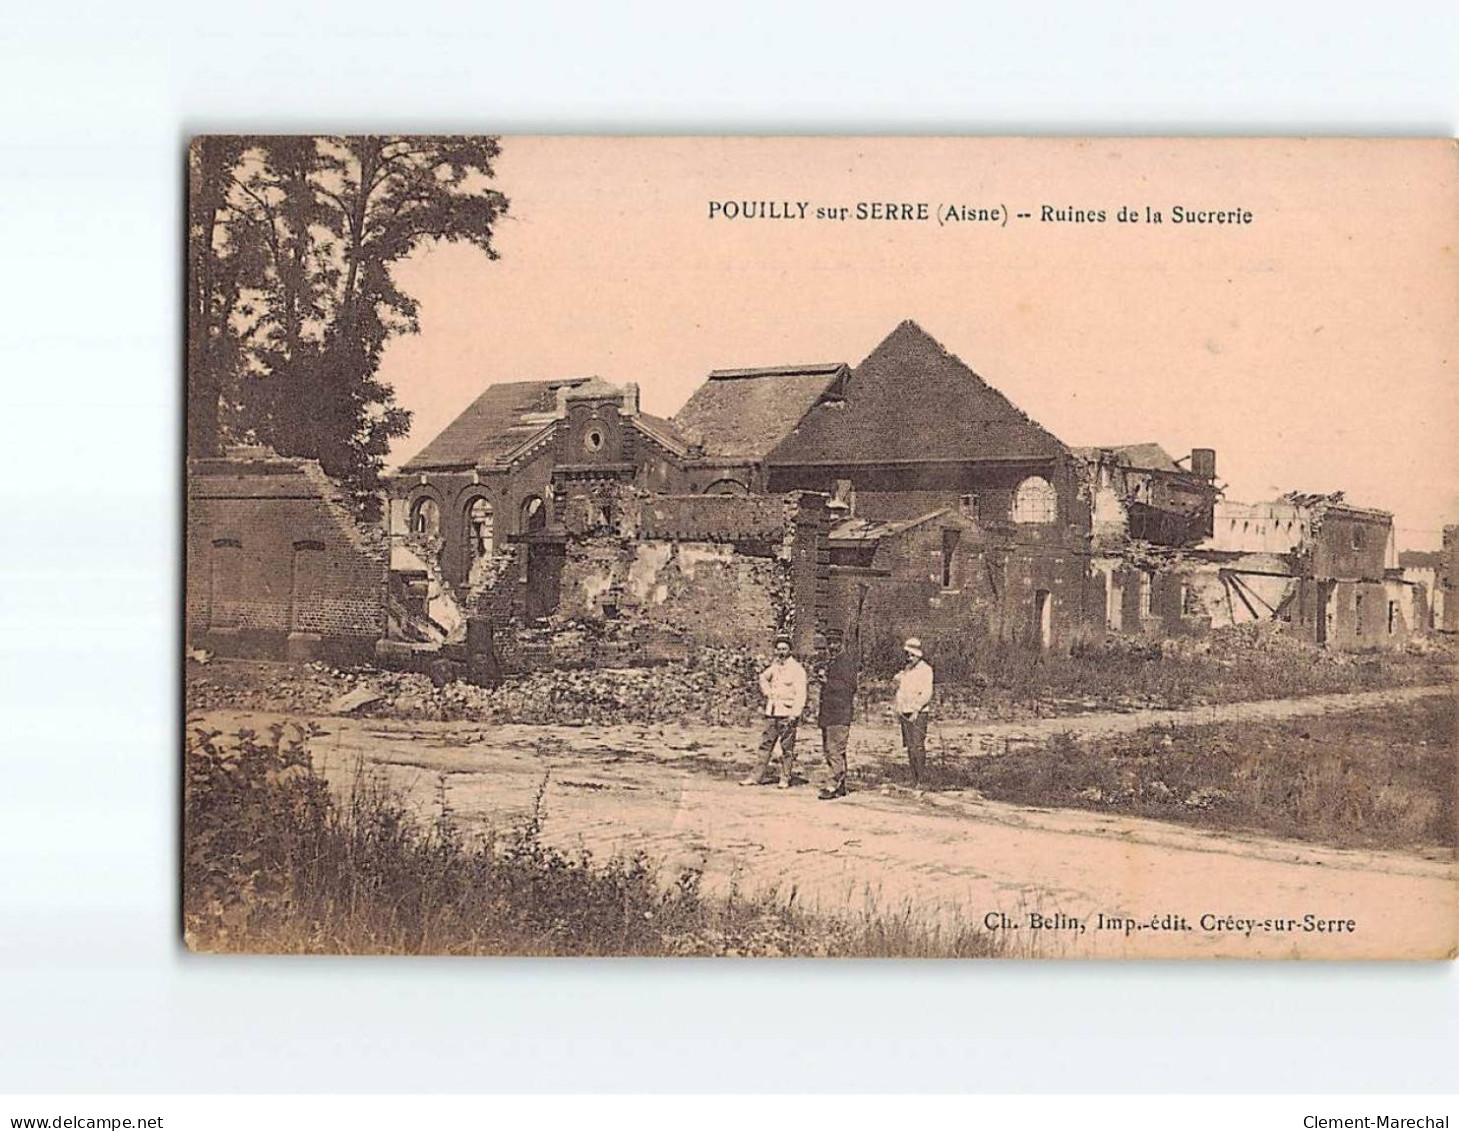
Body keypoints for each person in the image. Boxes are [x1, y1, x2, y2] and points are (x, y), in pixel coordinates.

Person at [741, 633, 807, 789]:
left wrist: (795, 714)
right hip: (772, 712)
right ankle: (755, 777)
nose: (781, 652)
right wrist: (768, 692)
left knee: (787, 749)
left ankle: (784, 778)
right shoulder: (775, 667)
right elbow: (762, 678)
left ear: (790, 650)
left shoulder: (797, 669)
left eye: (784, 649)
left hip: (787, 713)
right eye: (778, 649)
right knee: (765, 746)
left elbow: (801, 694)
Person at [816, 631, 858, 800]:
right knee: (831, 751)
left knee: (835, 751)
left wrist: (828, 682)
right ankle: (840, 785)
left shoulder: (846, 662)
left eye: (835, 643)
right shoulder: (832, 661)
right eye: (830, 643)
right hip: (829, 714)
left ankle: (833, 785)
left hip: (840, 714)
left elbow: (849, 687)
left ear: (841, 643)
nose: (832, 646)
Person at [892, 637, 934, 791]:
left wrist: (917, 709)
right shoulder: (907, 670)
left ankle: (921, 779)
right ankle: (913, 778)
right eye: (907, 655)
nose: (909, 658)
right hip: (905, 711)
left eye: (912, 655)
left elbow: (927, 693)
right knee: (909, 746)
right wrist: (899, 707)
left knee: (917, 745)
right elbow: (901, 691)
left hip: (919, 712)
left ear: (918, 655)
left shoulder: (926, 670)